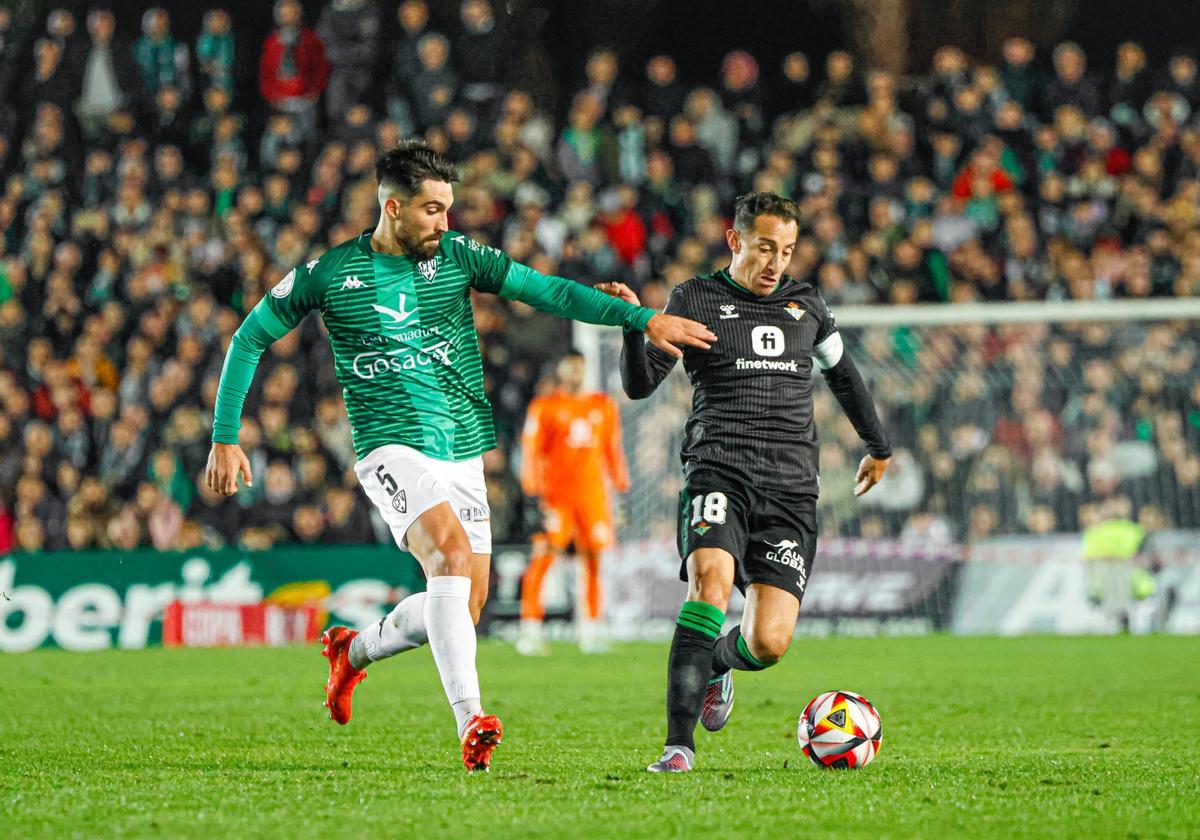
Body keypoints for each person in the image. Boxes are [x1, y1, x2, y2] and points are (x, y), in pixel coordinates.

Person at [204, 139, 714, 772]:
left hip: (462, 448)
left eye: (448, 209)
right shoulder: (329, 275)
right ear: (392, 208)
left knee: (462, 605)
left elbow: (548, 291)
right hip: (390, 446)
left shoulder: (458, 257)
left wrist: (639, 321)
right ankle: (471, 719)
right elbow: (248, 337)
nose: (445, 223)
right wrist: (227, 434)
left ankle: (353, 651)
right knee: (446, 555)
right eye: (432, 211)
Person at [600, 192, 892, 773]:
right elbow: (639, 385)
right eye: (764, 248)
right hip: (719, 469)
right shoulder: (696, 298)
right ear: (735, 241)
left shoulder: (807, 304)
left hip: (790, 489)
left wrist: (878, 444)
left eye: (785, 251)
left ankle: (717, 664)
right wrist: (636, 327)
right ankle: (677, 748)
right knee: (708, 584)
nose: (775, 263)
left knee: (769, 643)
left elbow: (844, 375)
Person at [517, 350, 629, 655]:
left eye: (580, 368)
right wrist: (533, 496)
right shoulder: (545, 407)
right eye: (570, 368)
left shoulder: (603, 406)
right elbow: (531, 452)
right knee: (544, 557)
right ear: (561, 372)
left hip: (592, 497)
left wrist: (621, 490)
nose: (576, 374)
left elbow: (612, 450)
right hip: (556, 498)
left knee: (593, 560)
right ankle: (529, 629)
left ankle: (591, 630)